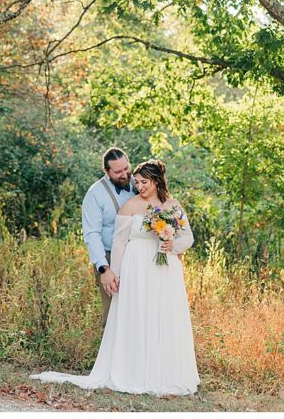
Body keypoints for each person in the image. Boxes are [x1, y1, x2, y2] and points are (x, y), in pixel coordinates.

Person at [32, 159, 199, 395]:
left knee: (163, 316)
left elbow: (188, 237)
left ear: (156, 181)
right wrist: (114, 275)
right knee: (139, 316)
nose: (139, 186)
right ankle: (136, 372)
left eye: (144, 182)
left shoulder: (172, 205)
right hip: (137, 269)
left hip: (166, 270)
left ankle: (166, 373)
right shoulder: (130, 206)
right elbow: (119, 244)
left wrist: (173, 245)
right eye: (137, 182)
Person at [81, 147, 136, 327]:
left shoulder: (140, 183)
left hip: (138, 256)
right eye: (118, 172)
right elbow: (92, 234)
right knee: (113, 313)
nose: (124, 174)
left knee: (138, 310)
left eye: (126, 168)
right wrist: (104, 269)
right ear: (106, 171)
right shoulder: (95, 194)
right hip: (110, 258)